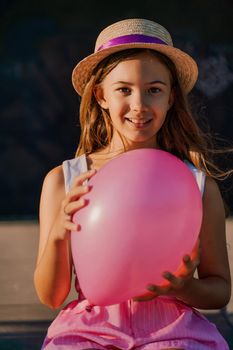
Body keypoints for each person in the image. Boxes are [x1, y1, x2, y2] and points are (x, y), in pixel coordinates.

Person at [34, 18, 232, 350]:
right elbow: (51, 296)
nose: (139, 104)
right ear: (100, 96)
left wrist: (183, 287)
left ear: (170, 99)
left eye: (154, 89)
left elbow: (220, 289)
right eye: (124, 89)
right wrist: (57, 233)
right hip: (87, 333)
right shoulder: (64, 181)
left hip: (174, 333)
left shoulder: (196, 185)